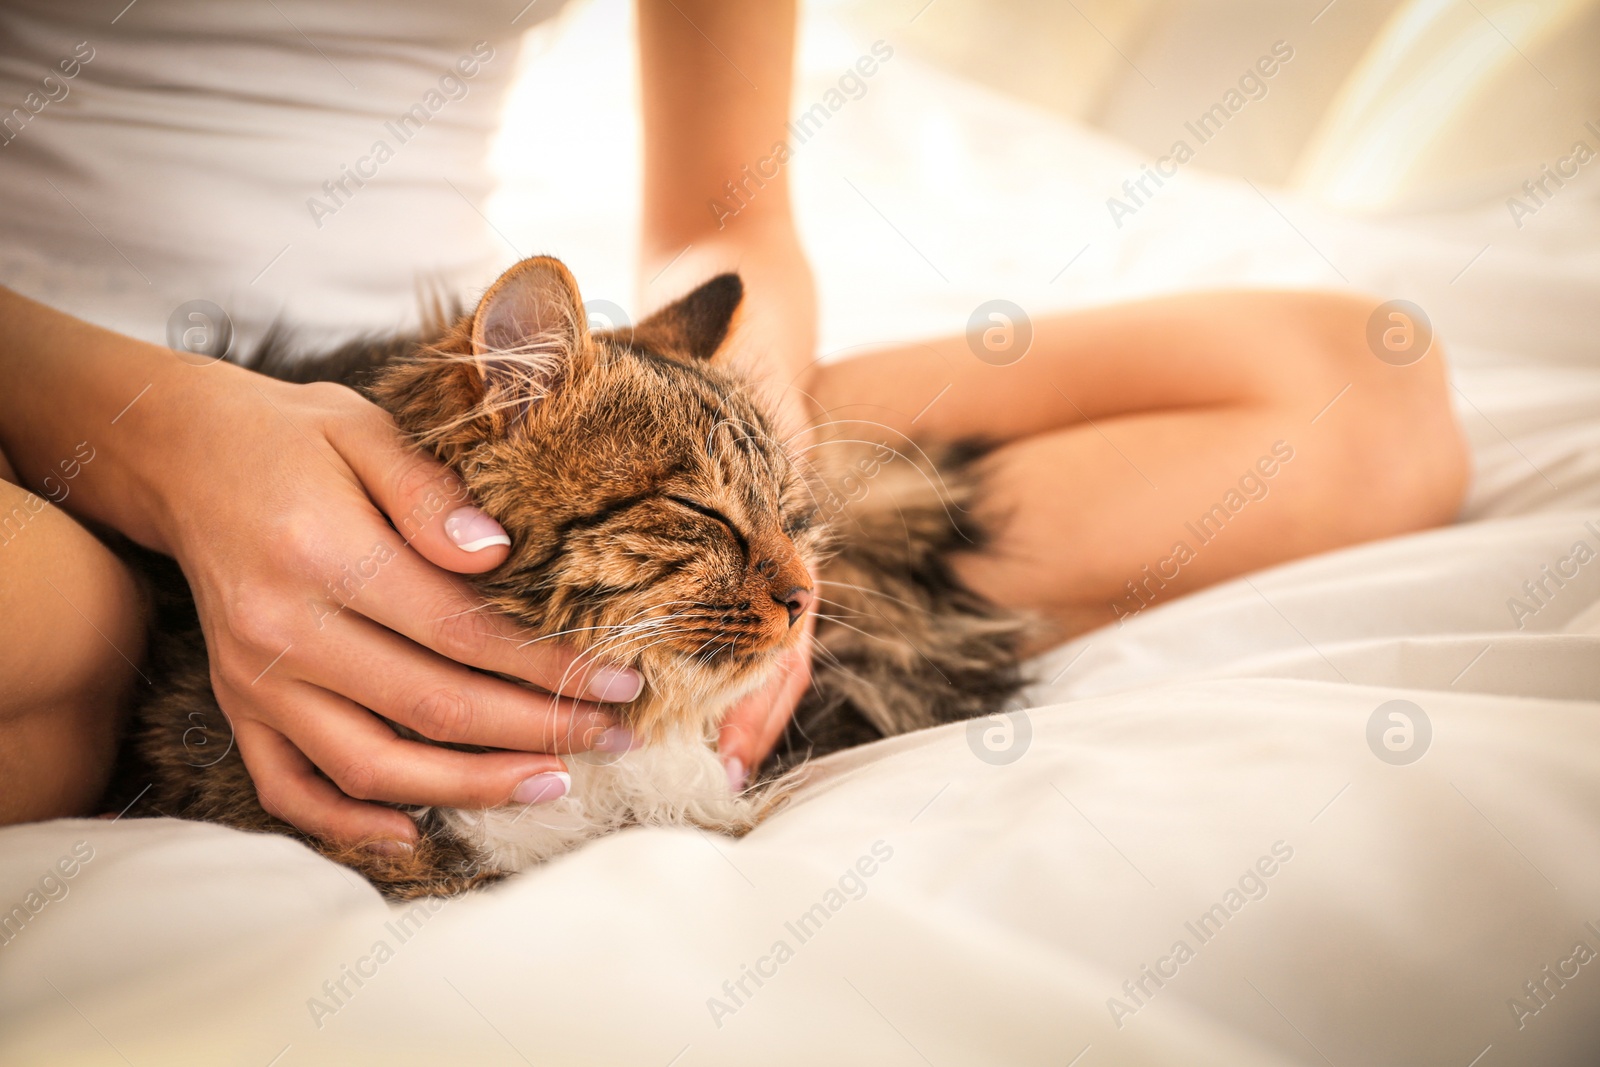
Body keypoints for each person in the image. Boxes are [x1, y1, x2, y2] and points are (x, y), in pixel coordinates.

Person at [0, 1, 1468, 853]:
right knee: (39, 639)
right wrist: (171, 436)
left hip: (524, 398)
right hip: (50, 404)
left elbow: (728, 220)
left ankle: (670, 666)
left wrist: (751, 456)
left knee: (1361, 395)